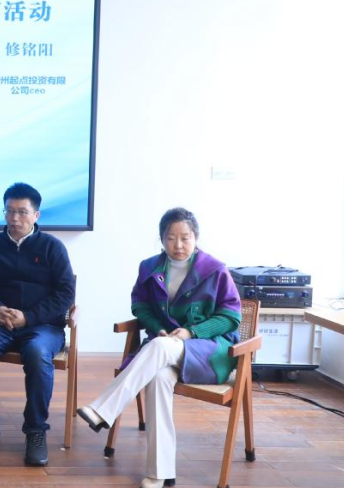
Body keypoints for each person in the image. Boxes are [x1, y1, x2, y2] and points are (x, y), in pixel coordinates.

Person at [77, 208, 242, 488]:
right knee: (157, 378)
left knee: (160, 347)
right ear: (161, 239)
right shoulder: (149, 267)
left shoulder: (215, 270)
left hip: (209, 353)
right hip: (166, 350)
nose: (178, 245)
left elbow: (231, 317)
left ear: (196, 237)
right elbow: (140, 306)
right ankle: (160, 472)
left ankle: (103, 409)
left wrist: (192, 332)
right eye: (170, 238)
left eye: (185, 238)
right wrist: (159, 327)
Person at [0, 182, 76, 466]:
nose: (15, 218)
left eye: (22, 212)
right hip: (1, 324)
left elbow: (66, 294)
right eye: (9, 211)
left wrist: (29, 317)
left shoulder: (52, 247)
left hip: (44, 327)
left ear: (36, 215)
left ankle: (36, 430)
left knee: (37, 352)